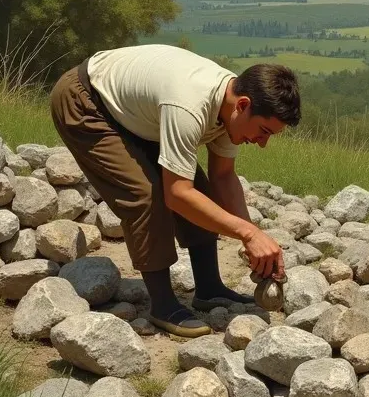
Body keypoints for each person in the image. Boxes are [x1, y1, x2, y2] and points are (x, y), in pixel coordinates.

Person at [50, 43, 300, 338]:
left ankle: (208, 288)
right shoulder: (190, 105)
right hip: (87, 100)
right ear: (243, 105)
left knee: (200, 189)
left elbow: (222, 178)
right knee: (146, 196)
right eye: (264, 131)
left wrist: (253, 235)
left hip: (137, 115)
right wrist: (248, 234)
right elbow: (177, 194)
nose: (262, 142)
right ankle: (163, 305)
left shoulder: (232, 106)